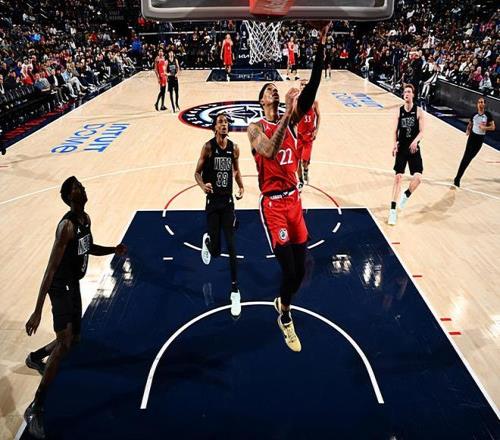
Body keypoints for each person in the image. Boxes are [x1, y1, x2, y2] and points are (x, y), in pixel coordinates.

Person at [247, 21, 331, 352]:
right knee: (289, 268)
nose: (274, 90)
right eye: (269, 89)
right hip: (273, 205)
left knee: (299, 272)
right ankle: (285, 316)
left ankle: (282, 304)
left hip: (294, 201)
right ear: (262, 100)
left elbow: (312, 88)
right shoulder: (255, 128)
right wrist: (286, 115)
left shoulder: (293, 120)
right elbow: (268, 150)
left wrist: (320, 44)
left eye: (275, 88)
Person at [24, 177, 127, 439]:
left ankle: (35, 357)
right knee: (65, 342)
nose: (83, 189)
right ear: (70, 197)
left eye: (81, 186)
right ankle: (36, 407)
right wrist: (37, 310)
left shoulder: (85, 220)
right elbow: (50, 269)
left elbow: (88, 248)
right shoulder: (67, 227)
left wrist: (112, 249)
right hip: (60, 287)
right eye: (78, 188)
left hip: (73, 284)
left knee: (74, 338)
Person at [194, 113, 244, 317]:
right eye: (220, 122)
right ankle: (208, 242)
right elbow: (197, 173)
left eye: (226, 122)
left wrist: (241, 186)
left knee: (232, 247)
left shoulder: (235, 148)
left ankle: (235, 291)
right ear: (214, 127)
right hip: (213, 203)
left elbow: (236, 170)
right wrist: (202, 185)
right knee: (215, 252)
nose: (224, 125)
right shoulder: (208, 147)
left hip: (228, 203)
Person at [388, 84, 425, 226]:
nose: (406, 94)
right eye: (405, 92)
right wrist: (394, 144)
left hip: (413, 148)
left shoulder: (418, 111)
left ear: (413, 95)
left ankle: (406, 195)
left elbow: (421, 131)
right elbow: (394, 131)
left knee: (418, 178)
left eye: (409, 91)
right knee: (398, 178)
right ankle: (392, 210)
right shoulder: (399, 111)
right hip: (402, 147)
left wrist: (415, 142)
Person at [454, 97, 495, 187]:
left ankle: (458, 177)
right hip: (472, 138)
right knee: (465, 158)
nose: (480, 104)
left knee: (470, 158)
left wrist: (485, 128)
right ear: (477, 104)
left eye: (482, 102)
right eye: (479, 102)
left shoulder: (488, 115)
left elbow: (493, 127)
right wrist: (468, 130)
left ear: (484, 104)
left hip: (480, 139)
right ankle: (457, 178)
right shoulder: (474, 115)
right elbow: (470, 124)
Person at [297, 79, 320, 188]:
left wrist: (316, 130)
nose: (303, 86)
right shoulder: (296, 100)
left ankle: (306, 170)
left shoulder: (314, 102)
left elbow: (319, 116)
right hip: (298, 136)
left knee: (304, 161)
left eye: (306, 85)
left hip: (309, 136)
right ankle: (300, 180)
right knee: (297, 161)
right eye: (302, 85)